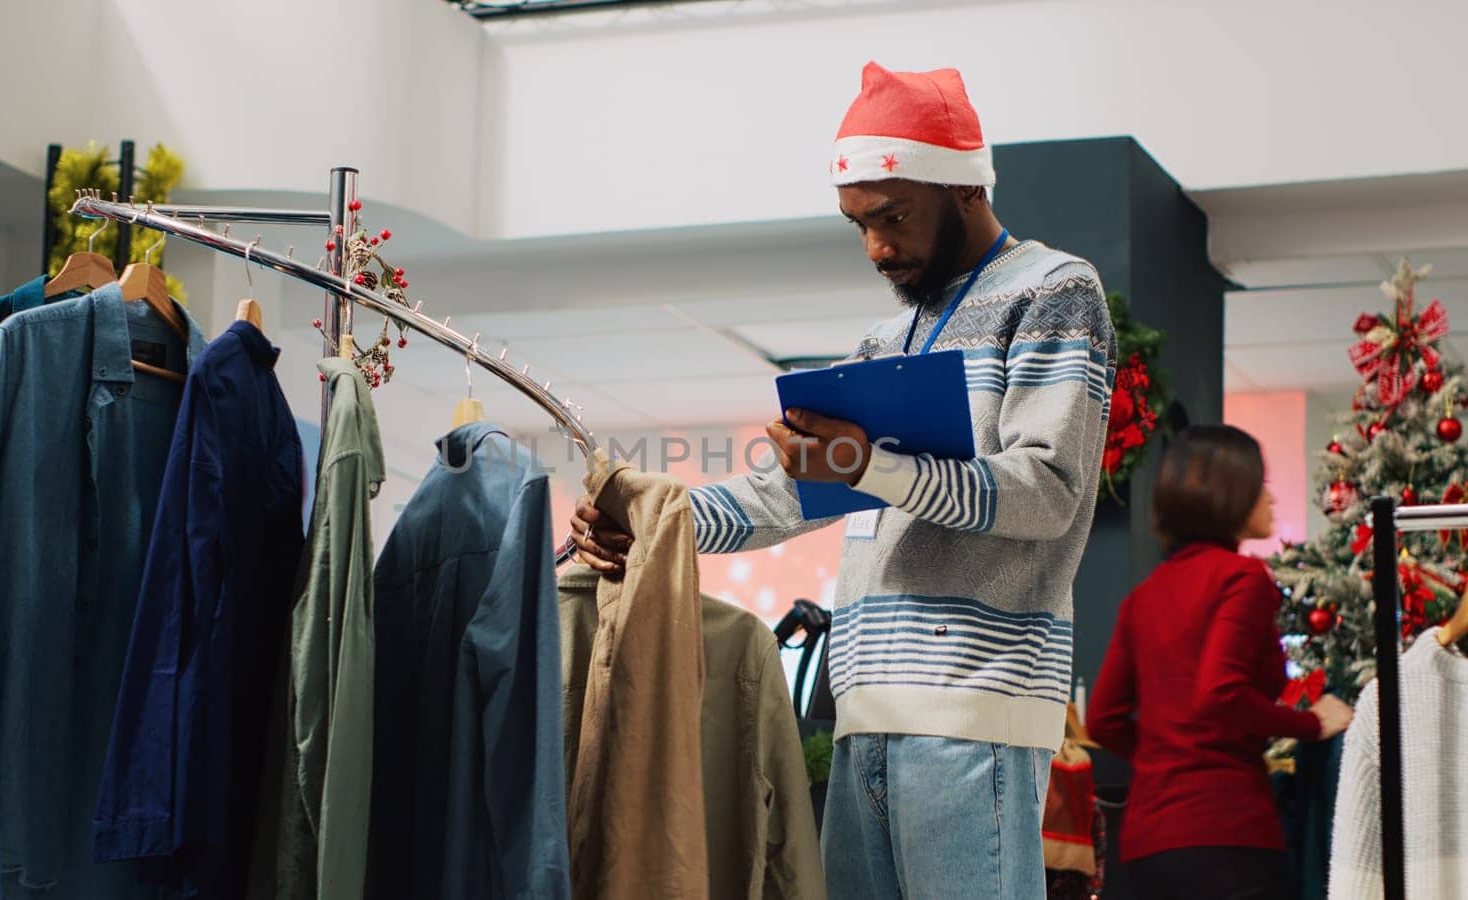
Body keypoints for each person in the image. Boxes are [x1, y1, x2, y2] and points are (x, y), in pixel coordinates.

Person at [574, 62, 1115, 899]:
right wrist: (651, 518)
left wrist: (872, 465)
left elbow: (1046, 491)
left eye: (892, 217)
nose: (876, 247)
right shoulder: (884, 337)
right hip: (861, 718)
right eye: (857, 224)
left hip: (973, 715)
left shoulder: (1053, 290)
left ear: (963, 188)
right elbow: (783, 496)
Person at [1086, 425, 1354, 899]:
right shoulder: (1242, 578)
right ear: (1228, 494)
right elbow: (1221, 691)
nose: (1270, 499)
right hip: (1227, 835)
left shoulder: (1144, 597)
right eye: (1260, 484)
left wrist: (1165, 755)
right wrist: (1310, 724)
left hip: (1146, 846)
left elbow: (1104, 721)